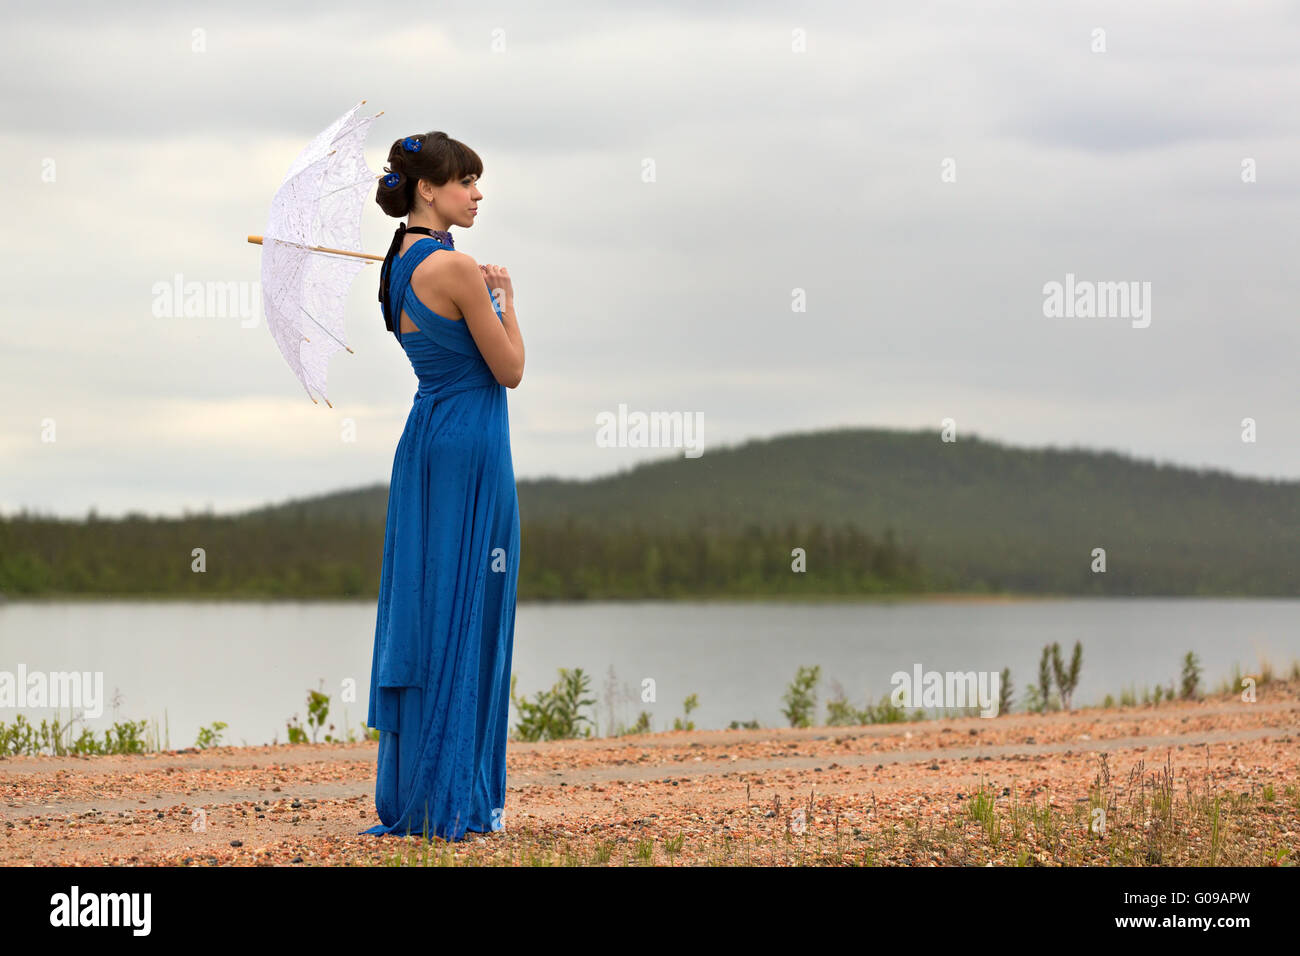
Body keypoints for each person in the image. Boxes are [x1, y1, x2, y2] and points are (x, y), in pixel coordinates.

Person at [361, 130, 524, 842]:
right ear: (429, 189)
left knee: (431, 602)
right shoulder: (454, 272)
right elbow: (510, 368)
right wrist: (505, 296)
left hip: (426, 439)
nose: (477, 193)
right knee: (468, 605)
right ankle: (453, 791)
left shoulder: (397, 264)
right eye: (466, 181)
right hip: (470, 442)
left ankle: (422, 787)